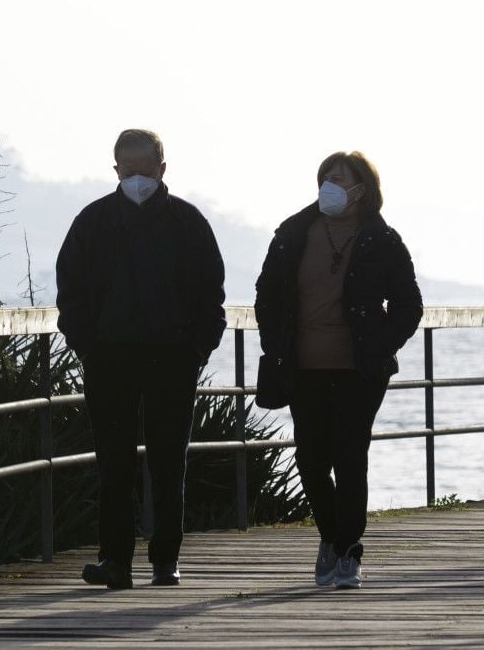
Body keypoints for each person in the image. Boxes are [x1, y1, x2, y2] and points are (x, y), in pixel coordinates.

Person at [56, 129, 226, 589]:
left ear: (162, 169)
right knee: (113, 464)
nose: (137, 179)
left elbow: (212, 295)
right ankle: (115, 562)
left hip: (173, 359)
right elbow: (70, 294)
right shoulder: (91, 223)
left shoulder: (188, 223)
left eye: (145, 170)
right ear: (115, 170)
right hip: (109, 360)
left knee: (169, 463)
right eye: (129, 171)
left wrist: (196, 349)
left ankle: (165, 559)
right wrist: (88, 346)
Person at [254, 151, 422, 589]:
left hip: (359, 370)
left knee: (350, 458)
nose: (329, 184)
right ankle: (331, 536)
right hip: (302, 367)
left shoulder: (381, 240)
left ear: (360, 189)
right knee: (310, 460)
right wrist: (275, 347)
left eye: (338, 178)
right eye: (324, 176)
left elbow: (409, 305)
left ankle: (348, 550)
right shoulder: (294, 232)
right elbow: (267, 293)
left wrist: (382, 345)